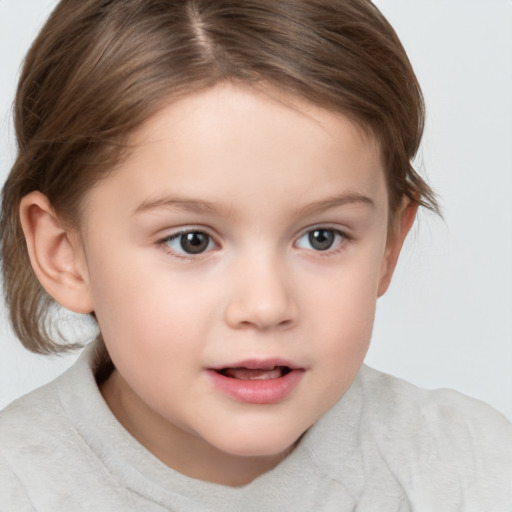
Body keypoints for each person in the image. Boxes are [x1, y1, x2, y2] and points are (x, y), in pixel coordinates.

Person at [0, 0, 511, 510]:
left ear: (388, 246)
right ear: (64, 251)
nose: (266, 306)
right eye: (191, 241)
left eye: (322, 237)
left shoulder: (474, 467)